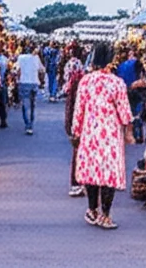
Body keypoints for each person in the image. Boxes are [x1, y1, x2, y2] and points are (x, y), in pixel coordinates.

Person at [72, 42, 132, 230]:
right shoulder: (116, 83)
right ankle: (105, 215)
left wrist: (76, 131)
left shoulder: (86, 81)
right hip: (110, 134)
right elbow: (124, 111)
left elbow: (78, 109)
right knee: (108, 174)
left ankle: (92, 210)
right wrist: (129, 133)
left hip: (90, 133)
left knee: (92, 172)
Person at [63, 47, 87, 198]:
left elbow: (73, 108)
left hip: (78, 122)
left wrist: (72, 127)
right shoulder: (82, 73)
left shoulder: (71, 69)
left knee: (78, 152)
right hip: (92, 125)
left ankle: (77, 183)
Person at [15, 44, 44, 135]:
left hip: (24, 83)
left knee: (25, 105)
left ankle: (28, 125)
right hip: (34, 83)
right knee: (32, 105)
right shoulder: (36, 58)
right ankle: (30, 124)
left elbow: (17, 70)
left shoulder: (21, 58)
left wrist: (18, 79)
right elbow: (42, 70)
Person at [128, 69, 146, 143]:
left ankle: (138, 136)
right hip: (140, 102)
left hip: (138, 102)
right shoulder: (144, 84)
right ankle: (139, 136)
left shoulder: (137, 83)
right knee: (139, 119)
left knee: (138, 119)